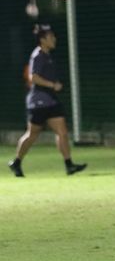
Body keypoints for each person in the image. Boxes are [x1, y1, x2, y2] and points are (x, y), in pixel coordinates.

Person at [8, 25, 87, 177]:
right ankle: (16, 162)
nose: (54, 39)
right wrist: (52, 85)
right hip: (38, 102)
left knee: (62, 132)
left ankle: (69, 164)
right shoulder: (37, 56)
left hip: (50, 101)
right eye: (51, 37)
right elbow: (34, 77)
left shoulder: (48, 55)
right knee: (32, 134)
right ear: (42, 40)